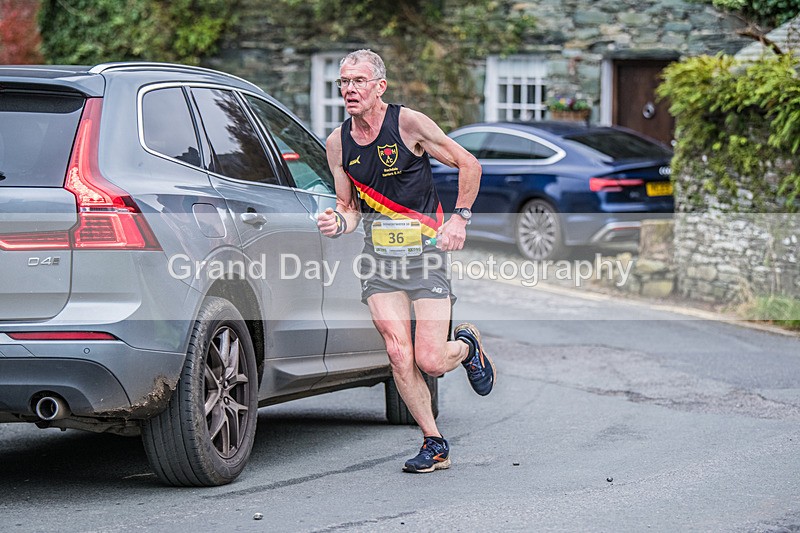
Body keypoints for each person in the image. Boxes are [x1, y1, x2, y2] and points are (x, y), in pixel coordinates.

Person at [317, 49, 496, 473]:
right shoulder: (337, 143)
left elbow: (469, 164)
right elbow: (349, 207)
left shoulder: (408, 124)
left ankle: (467, 345)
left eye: (358, 81)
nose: (349, 89)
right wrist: (336, 221)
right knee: (399, 353)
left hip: (426, 255)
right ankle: (434, 442)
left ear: (380, 86)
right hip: (378, 260)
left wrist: (460, 219)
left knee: (430, 360)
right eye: (344, 82)